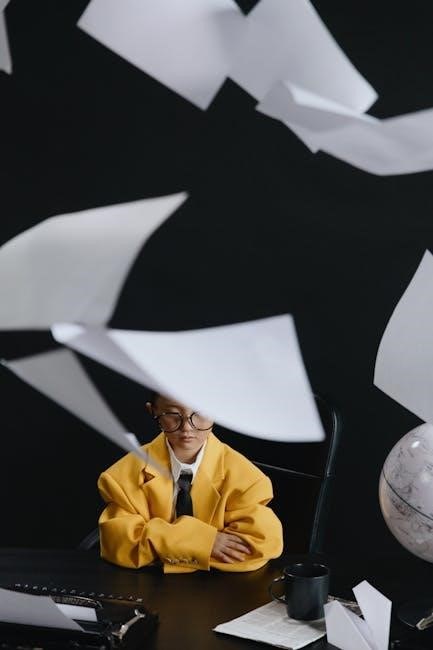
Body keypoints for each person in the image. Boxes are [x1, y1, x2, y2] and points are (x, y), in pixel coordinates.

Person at [98, 393, 283, 573]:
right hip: (146, 584)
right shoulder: (120, 477)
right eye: (172, 414)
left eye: (201, 413)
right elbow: (120, 544)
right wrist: (204, 543)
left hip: (220, 586)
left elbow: (260, 545)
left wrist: (158, 547)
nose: (187, 427)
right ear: (153, 411)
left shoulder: (249, 479)